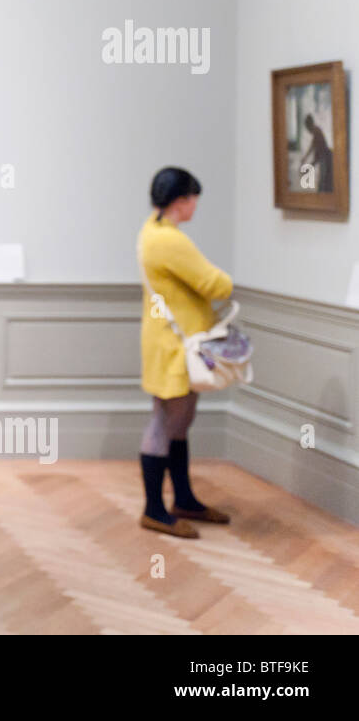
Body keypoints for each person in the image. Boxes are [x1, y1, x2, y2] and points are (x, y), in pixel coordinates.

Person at [136, 167, 232, 538]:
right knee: (165, 422)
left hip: (170, 341)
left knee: (179, 420)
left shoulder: (152, 230)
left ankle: (184, 499)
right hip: (174, 345)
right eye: (194, 199)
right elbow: (215, 283)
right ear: (181, 201)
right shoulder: (170, 241)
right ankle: (155, 509)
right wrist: (226, 280)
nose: (196, 206)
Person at [301, 113, 334, 192]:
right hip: (325, 157)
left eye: (307, 128)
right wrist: (305, 158)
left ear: (309, 125)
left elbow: (319, 154)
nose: (308, 130)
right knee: (323, 182)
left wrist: (310, 165)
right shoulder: (316, 132)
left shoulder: (317, 132)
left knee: (324, 181)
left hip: (327, 158)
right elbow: (312, 147)